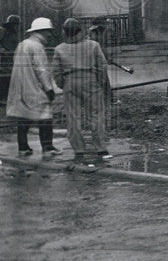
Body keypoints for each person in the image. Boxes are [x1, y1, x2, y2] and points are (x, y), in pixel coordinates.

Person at [53, 18, 110, 158]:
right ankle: (101, 148)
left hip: (70, 82)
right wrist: (100, 82)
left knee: (73, 117)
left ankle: (78, 150)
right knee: (96, 115)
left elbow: (56, 72)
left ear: (65, 33)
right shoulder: (93, 45)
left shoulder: (59, 49)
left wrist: (63, 84)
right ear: (80, 30)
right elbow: (102, 66)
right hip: (90, 80)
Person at [5, 17, 59, 157]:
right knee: (45, 117)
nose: (50, 35)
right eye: (48, 32)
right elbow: (41, 69)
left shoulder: (22, 44)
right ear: (42, 31)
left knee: (23, 118)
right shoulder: (37, 47)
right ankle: (48, 148)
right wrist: (49, 89)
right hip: (33, 87)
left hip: (20, 88)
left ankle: (23, 148)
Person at [0, 14, 20, 105]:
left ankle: (7, 97)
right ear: (10, 25)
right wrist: (2, 50)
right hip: (3, 60)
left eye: (17, 25)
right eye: (15, 24)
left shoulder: (14, 35)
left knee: (10, 78)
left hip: (10, 59)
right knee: (3, 78)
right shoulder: (2, 31)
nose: (16, 27)